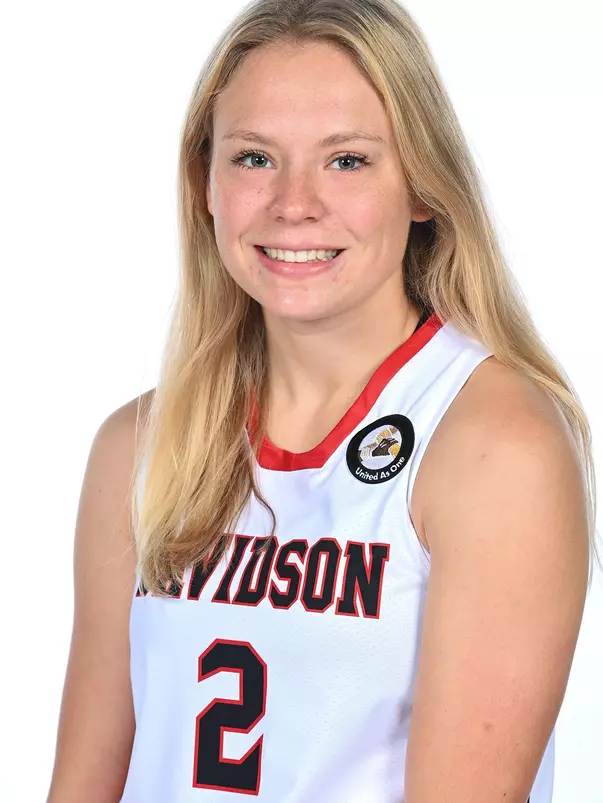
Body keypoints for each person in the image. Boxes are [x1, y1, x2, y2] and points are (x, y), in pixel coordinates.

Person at [46, 1, 599, 801]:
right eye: (253, 159)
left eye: (345, 161)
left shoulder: (491, 447)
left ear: (421, 186)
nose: (293, 203)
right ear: (205, 184)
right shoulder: (137, 448)